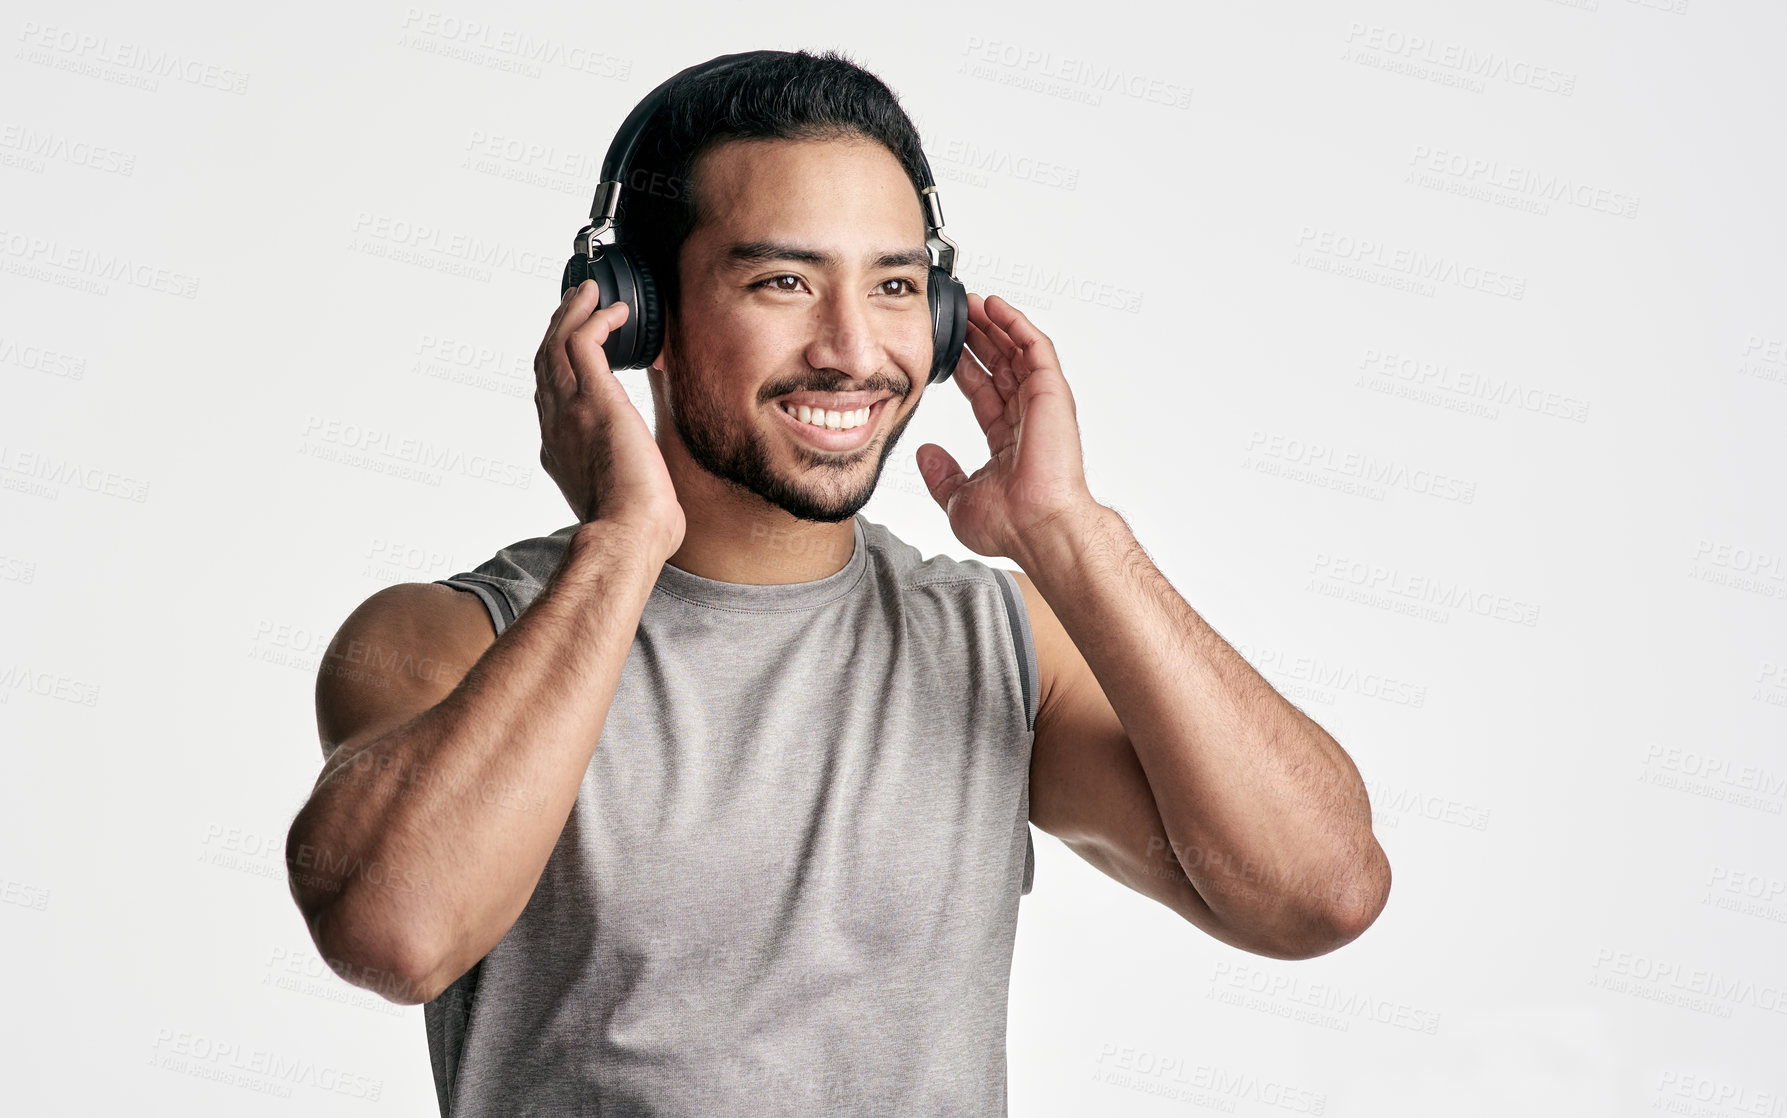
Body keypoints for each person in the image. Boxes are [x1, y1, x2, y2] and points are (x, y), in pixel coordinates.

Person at [285, 48, 1390, 1117]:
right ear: (637, 317)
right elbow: (397, 934)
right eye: (781, 280)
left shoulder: (996, 647)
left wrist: (1070, 531)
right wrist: (621, 542)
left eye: (897, 284)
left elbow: (1318, 892)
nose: (852, 349)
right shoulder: (448, 639)